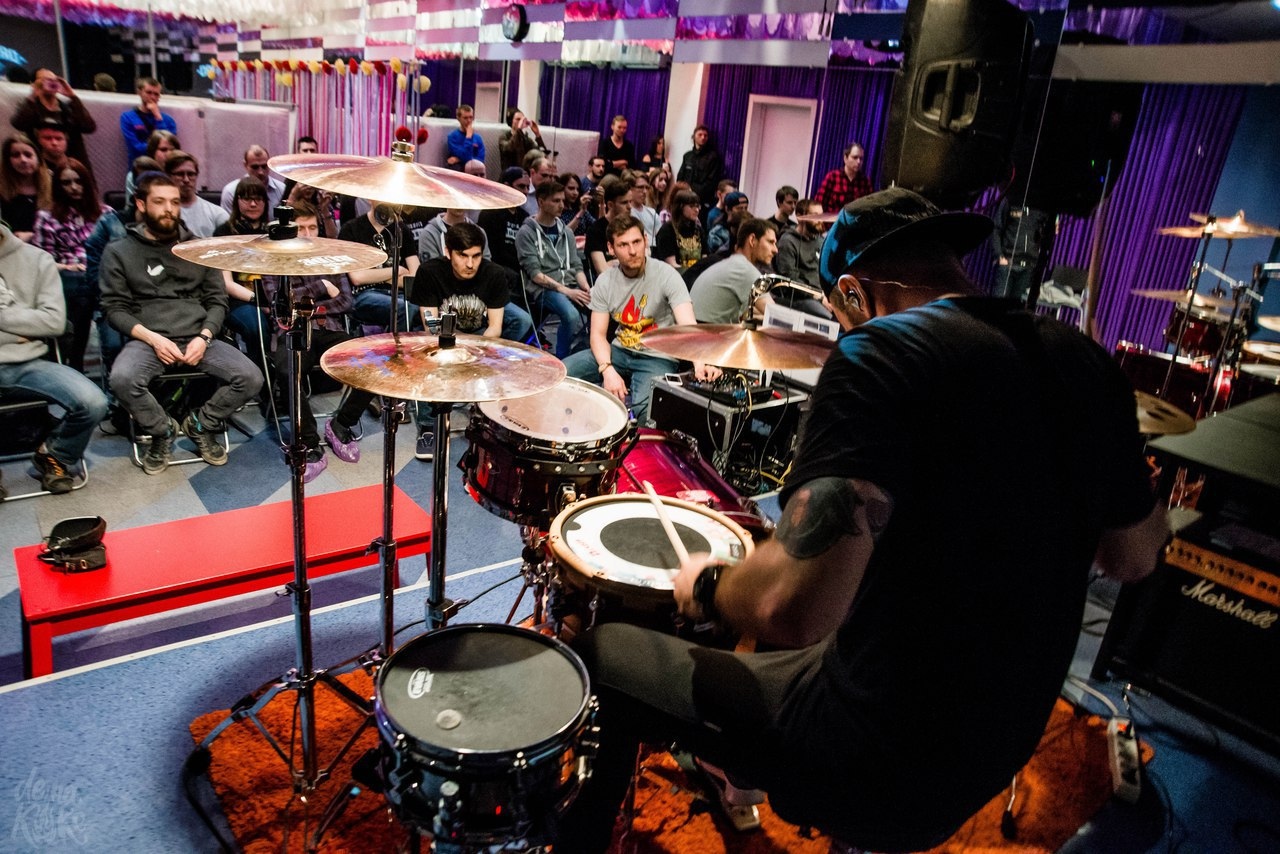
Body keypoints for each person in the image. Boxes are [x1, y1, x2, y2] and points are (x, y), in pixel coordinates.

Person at [553, 187, 1169, 852]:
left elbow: (793, 607)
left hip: (876, 754)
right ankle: (737, 768)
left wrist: (706, 584)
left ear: (851, 293)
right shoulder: (1081, 359)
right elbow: (1136, 555)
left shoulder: (882, 352)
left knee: (609, 654)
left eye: (838, 314)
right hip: (997, 742)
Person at [101, 173, 263, 473]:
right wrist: (153, 339)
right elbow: (114, 309)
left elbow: (217, 301)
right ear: (141, 204)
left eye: (174, 202)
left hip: (198, 336)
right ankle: (162, 430)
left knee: (251, 377)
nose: (169, 209)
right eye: (160, 202)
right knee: (122, 380)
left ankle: (201, 424)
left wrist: (204, 336)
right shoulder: (119, 251)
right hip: (149, 339)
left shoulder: (198, 249)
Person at [564, 215, 719, 426]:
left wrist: (700, 362)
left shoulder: (667, 275)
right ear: (611, 248)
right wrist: (607, 370)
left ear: (646, 240)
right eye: (623, 245)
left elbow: (688, 325)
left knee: (646, 412)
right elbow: (598, 335)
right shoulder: (605, 281)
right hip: (618, 351)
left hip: (657, 356)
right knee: (562, 373)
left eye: (637, 242)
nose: (633, 251)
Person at [259, 202, 372, 482]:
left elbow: (346, 301)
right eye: (301, 229)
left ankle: (341, 424)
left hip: (329, 329)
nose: (308, 234)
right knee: (287, 371)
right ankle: (309, 442)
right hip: (292, 332)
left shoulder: (331, 258)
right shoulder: (273, 261)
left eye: (312, 227)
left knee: (373, 363)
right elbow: (278, 304)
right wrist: (321, 286)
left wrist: (307, 303)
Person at [0, 224, 108, 494]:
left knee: (93, 402)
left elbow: (54, 322)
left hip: (27, 363)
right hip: (23, 348)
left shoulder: (36, 259)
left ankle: (55, 453)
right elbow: (40, 321)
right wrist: (22, 329)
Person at [32, 157, 111, 372]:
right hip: (67, 277)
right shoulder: (47, 217)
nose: (74, 187)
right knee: (81, 292)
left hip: (103, 275)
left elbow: (118, 251)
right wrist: (68, 268)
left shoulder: (105, 214)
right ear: (58, 187)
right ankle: (75, 362)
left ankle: (108, 364)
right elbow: (42, 261)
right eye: (66, 183)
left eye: (78, 181)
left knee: (96, 293)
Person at [418, 209, 533, 344]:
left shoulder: (494, 273)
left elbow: (495, 328)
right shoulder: (430, 272)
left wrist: (476, 350)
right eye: (463, 255)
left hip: (480, 336)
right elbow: (431, 329)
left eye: (476, 256)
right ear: (448, 253)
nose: (470, 264)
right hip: (441, 336)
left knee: (522, 319)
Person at [514, 181, 591, 359]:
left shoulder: (566, 232)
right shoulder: (526, 233)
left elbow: (576, 265)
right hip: (543, 289)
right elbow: (535, 275)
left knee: (600, 307)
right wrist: (567, 291)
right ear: (541, 202)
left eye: (562, 200)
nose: (562, 205)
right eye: (556, 201)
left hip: (570, 283)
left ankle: (584, 352)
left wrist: (586, 288)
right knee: (571, 315)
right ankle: (563, 359)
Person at [212, 178, 272, 381]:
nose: (253, 204)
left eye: (258, 199)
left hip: (272, 296)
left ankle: (284, 378)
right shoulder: (224, 233)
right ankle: (261, 383)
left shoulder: (272, 233)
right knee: (256, 327)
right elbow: (226, 283)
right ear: (237, 201)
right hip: (239, 299)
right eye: (247, 199)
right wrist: (260, 301)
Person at [691, 218, 779, 323]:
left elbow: (750, 312)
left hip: (694, 328)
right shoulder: (745, 270)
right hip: (709, 331)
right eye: (770, 242)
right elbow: (776, 316)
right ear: (752, 240)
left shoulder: (732, 264)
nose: (775, 250)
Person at [9, 69, 97, 173]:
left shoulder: (68, 108)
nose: (50, 83)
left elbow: (89, 127)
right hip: (41, 166)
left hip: (71, 166)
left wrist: (72, 96)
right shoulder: (31, 107)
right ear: (34, 84)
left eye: (54, 80)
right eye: (45, 80)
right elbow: (18, 123)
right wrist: (33, 95)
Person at [774, 198, 832, 318]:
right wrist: (818, 296)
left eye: (821, 215)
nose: (820, 220)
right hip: (800, 298)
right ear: (800, 217)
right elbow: (790, 278)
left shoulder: (821, 241)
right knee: (829, 317)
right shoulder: (788, 241)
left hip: (822, 295)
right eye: (815, 216)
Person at [164, 151, 228, 238]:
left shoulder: (217, 214)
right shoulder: (162, 213)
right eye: (180, 174)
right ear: (168, 176)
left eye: (191, 174)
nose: (186, 180)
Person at [0, 134, 51, 242]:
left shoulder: (54, 185)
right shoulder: (2, 191)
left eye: (28, 155)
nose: (23, 160)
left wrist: (32, 235)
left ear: (38, 158)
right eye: (16, 155)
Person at [119, 77, 178, 170]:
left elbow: (168, 145)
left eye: (156, 94)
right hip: (139, 167)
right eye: (148, 93)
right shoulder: (128, 117)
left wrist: (158, 117)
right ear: (139, 92)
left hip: (163, 168)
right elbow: (135, 147)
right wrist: (157, 149)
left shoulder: (168, 120)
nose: (152, 97)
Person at [219, 145, 286, 213]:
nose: (260, 172)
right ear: (245, 165)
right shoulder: (230, 192)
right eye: (255, 167)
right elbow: (229, 219)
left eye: (264, 166)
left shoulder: (281, 189)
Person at [653, 189, 705, 270]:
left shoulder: (698, 229)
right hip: (676, 274)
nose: (697, 210)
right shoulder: (667, 231)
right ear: (680, 207)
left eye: (698, 206)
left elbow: (705, 256)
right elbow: (671, 264)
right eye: (692, 206)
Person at [815, 142, 873, 214]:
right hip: (833, 219)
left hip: (855, 220)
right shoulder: (833, 177)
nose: (858, 162)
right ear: (845, 158)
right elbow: (818, 202)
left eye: (861, 159)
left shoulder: (865, 182)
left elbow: (870, 207)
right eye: (855, 157)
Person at [678, 124, 724, 210]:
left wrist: (693, 191)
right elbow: (680, 176)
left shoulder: (713, 157)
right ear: (694, 136)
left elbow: (711, 182)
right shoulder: (687, 156)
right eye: (700, 135)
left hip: (702, 201)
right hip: (684, 197)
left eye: (705, 135)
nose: (703, 137)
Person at [707, 190, 750, 255]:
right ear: (727, 209)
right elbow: (717, 256)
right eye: (739, 208)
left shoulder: (748, 228)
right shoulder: (717, 232)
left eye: (745, 208)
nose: (744, 212)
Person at [445, 104, 485, 171]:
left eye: (471, 117)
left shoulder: (478, 138)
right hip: (460, 170)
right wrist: (468, 137)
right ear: (459, 119)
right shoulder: (452, 137)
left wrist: (459, 159)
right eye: (465, 118)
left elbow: (481, 160)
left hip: (475, 171)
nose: (469, 121)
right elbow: (465, 155)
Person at [559, 172, 594, 237]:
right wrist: (581, 212)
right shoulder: (557, 210)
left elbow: (597, 226)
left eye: (577, 189)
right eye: (571, 188)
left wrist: (602, 204)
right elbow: (564, 234)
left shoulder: (578, 208)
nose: (575, 193)